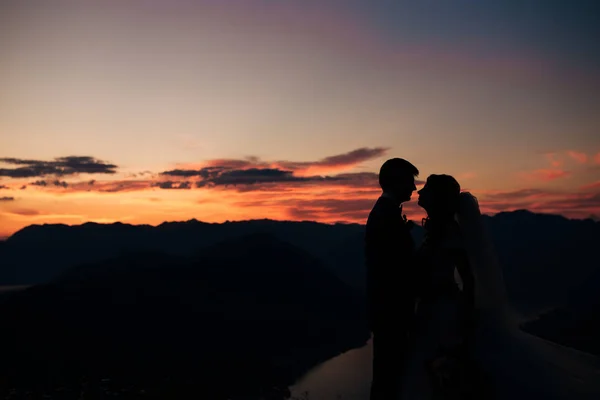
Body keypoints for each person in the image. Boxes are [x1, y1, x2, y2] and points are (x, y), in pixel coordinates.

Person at [399, 174, 478, 399]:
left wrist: (465, 317)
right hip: (431, 310)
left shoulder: (449, 232)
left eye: (426, 189)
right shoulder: (436, 230)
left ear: (437, 198)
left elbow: (467, 276)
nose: (420, 192)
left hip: (442, 313)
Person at [365, 158, 419, 400]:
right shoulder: (384, 216)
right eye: (410, 181)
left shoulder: (387, 213)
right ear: (395, 181)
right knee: (388, 378)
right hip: (391, 311)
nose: (414, 188)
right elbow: (392, 269)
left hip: (391, 311)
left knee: (391, 376)